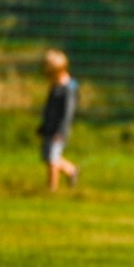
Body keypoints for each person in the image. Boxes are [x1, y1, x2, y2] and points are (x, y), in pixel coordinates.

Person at [37, 50, 79, 191]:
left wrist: (60, 131)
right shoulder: (55, 86)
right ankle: (71, 170)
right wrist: (44, 126)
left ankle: (52, 189)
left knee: (52, 160)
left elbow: (67, 113)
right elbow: (49, 108)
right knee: (48, 156)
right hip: (50, 127)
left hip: (59, 130)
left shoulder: (69, 89)